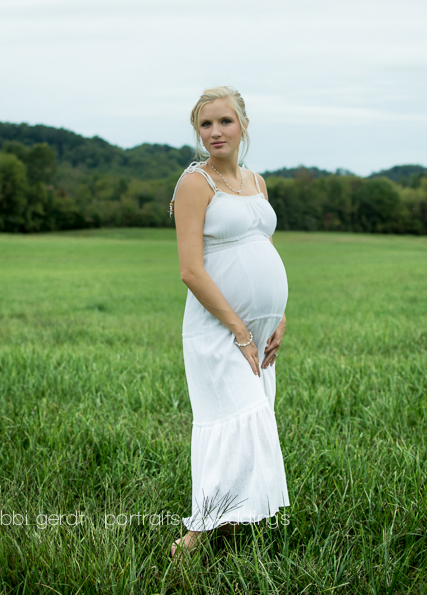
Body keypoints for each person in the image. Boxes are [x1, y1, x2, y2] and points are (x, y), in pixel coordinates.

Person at [169, 86, 290, 558]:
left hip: (260, 331)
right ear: (197, 131)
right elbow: (190, 269)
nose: (215, 132)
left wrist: (280, 315)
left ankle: (233, 525)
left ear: (242, 126)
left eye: (225, 122)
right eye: (205, 124)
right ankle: (193, 539)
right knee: (231, 421)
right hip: (218, 330)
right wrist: (238, 329)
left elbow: (266, 248)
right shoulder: (195, 183)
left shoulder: (257, 182)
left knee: (253, 420)